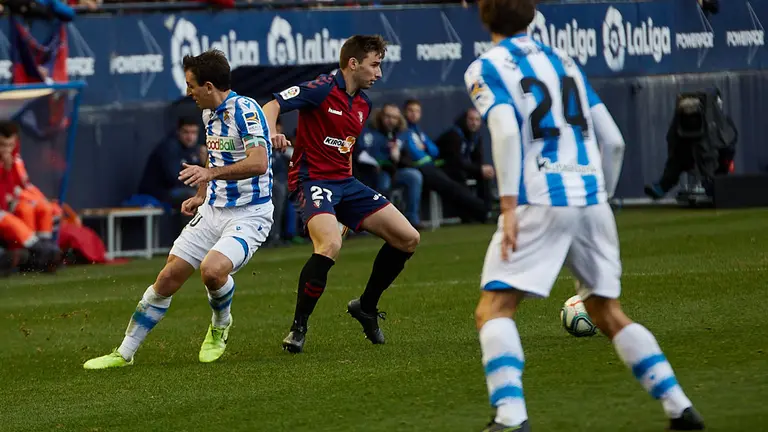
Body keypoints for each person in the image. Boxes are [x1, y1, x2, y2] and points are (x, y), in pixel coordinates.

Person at [464, 1, 704, 431]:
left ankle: (510, 417)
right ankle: (679, 407)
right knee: (606, 311)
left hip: (540, 197)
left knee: (494, 308)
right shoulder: (565, 60)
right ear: (532, 14)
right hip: (592, 197)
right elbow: (613, 140)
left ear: (484, 16)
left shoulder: (486, 66)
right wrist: (599, 195)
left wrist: (508, 205)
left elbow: (504, 129)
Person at [83, 49, 273, 369]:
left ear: (208, 86)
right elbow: (214, 158)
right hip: (213, 209)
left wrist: (210, 175)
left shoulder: (246, 110)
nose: (188, 92)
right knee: (168, 277)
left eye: (191, 85)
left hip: (249, 213)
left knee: (212, 271)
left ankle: (220, 324)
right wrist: (201, 193)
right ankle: (124, 353)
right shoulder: (208, 114)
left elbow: (259, 163)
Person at [262, 35, 420, 354]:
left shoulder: (363, 104)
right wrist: (272, 132)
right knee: (330, 244)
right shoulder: (321, 88)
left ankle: (366, 307)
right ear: (353, 63)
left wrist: (345, 203)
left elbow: (345, 149)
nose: (378, 73)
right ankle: (298, 328)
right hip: (311, 181)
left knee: (408, 238)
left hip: (345, 183)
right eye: (374, 65)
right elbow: (272, 105)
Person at [359, 103, 424, 228]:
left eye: (394, 117)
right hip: (374, 172)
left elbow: (410, 155)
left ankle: (412, 219)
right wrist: (378, 163)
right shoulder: (370, 132)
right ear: (381, 116)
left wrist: (398, 154)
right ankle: (382, 223)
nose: (391, 120)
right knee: (383, 182)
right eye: (387, 116)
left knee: (414, 176)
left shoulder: (401, 133)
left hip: (394, 171)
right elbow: (362, 155)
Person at [436, 108, 496, 212]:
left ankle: (488, 210)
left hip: (461, 168)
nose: (474, 123)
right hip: (444, 169)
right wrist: (479, 169)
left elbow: (478, 160)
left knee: (485, 174)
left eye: (477, 120)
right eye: (471, 119)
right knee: (459, 174)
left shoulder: (476, 137)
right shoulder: (453, 135)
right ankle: (472, 211)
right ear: (464, 120)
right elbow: (456, 161)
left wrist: (482, 169)